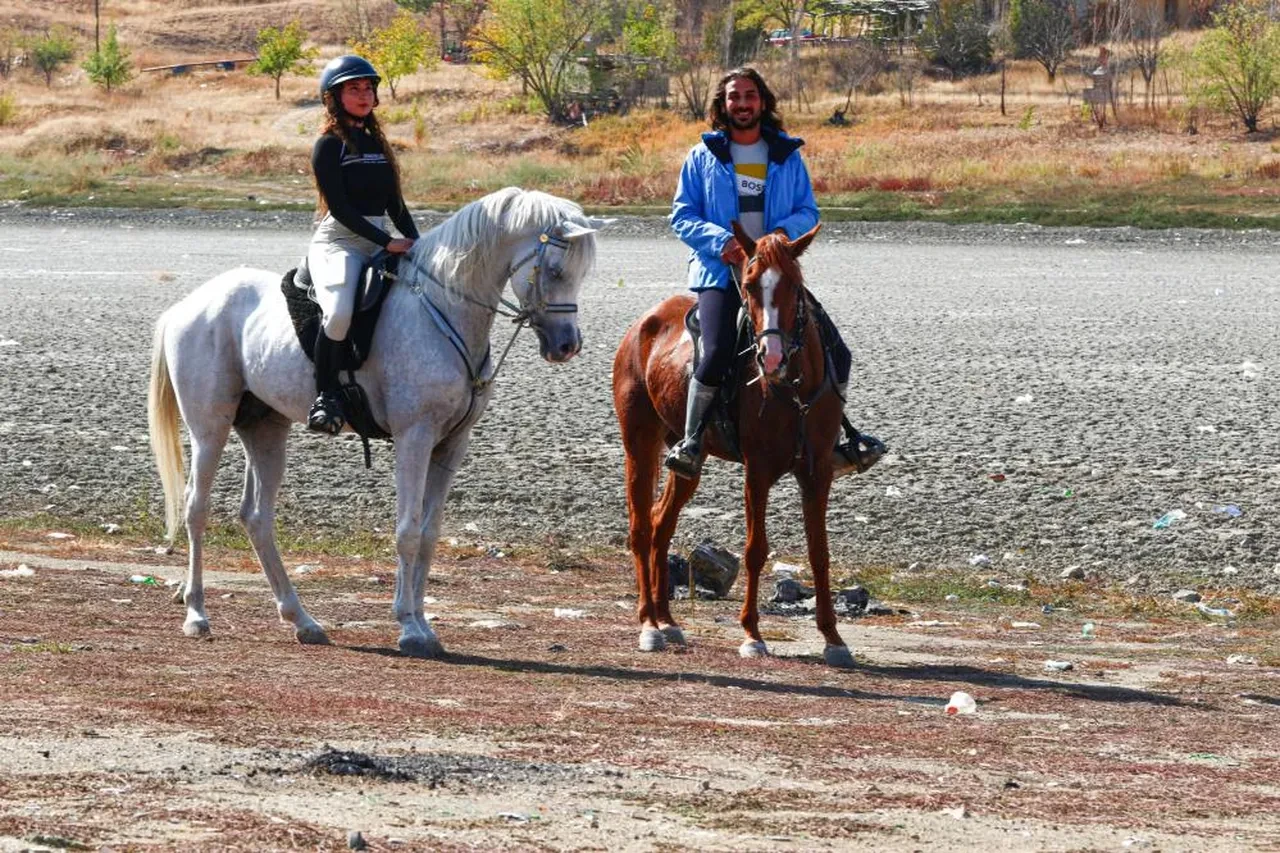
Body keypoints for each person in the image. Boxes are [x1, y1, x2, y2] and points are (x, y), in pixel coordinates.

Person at [666, 67, 885, 479]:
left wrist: (784, 234)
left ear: (762, 101)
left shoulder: (786, 155)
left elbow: (808, 211)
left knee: (836, 350)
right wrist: (720, 242)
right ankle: (692, 442)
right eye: (734, 97)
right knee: (714, 353)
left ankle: (837, 443)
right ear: (723, 105)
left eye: (750, 95)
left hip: (778, 274)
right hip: (723, 271)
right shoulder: (701, 157)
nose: (743, 104)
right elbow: (682, 215)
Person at [306, 54, 419, 434]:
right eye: (354, 89)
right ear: (334, 97)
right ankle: (325, 397)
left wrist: (418, 244)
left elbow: (395, 206)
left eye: (368, 88)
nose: (364, 94)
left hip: (378, 239)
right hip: (339, 241)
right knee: (338, 313)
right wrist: (388, 242)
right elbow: (338, 208)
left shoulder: (377, 145)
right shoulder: (328, 145)